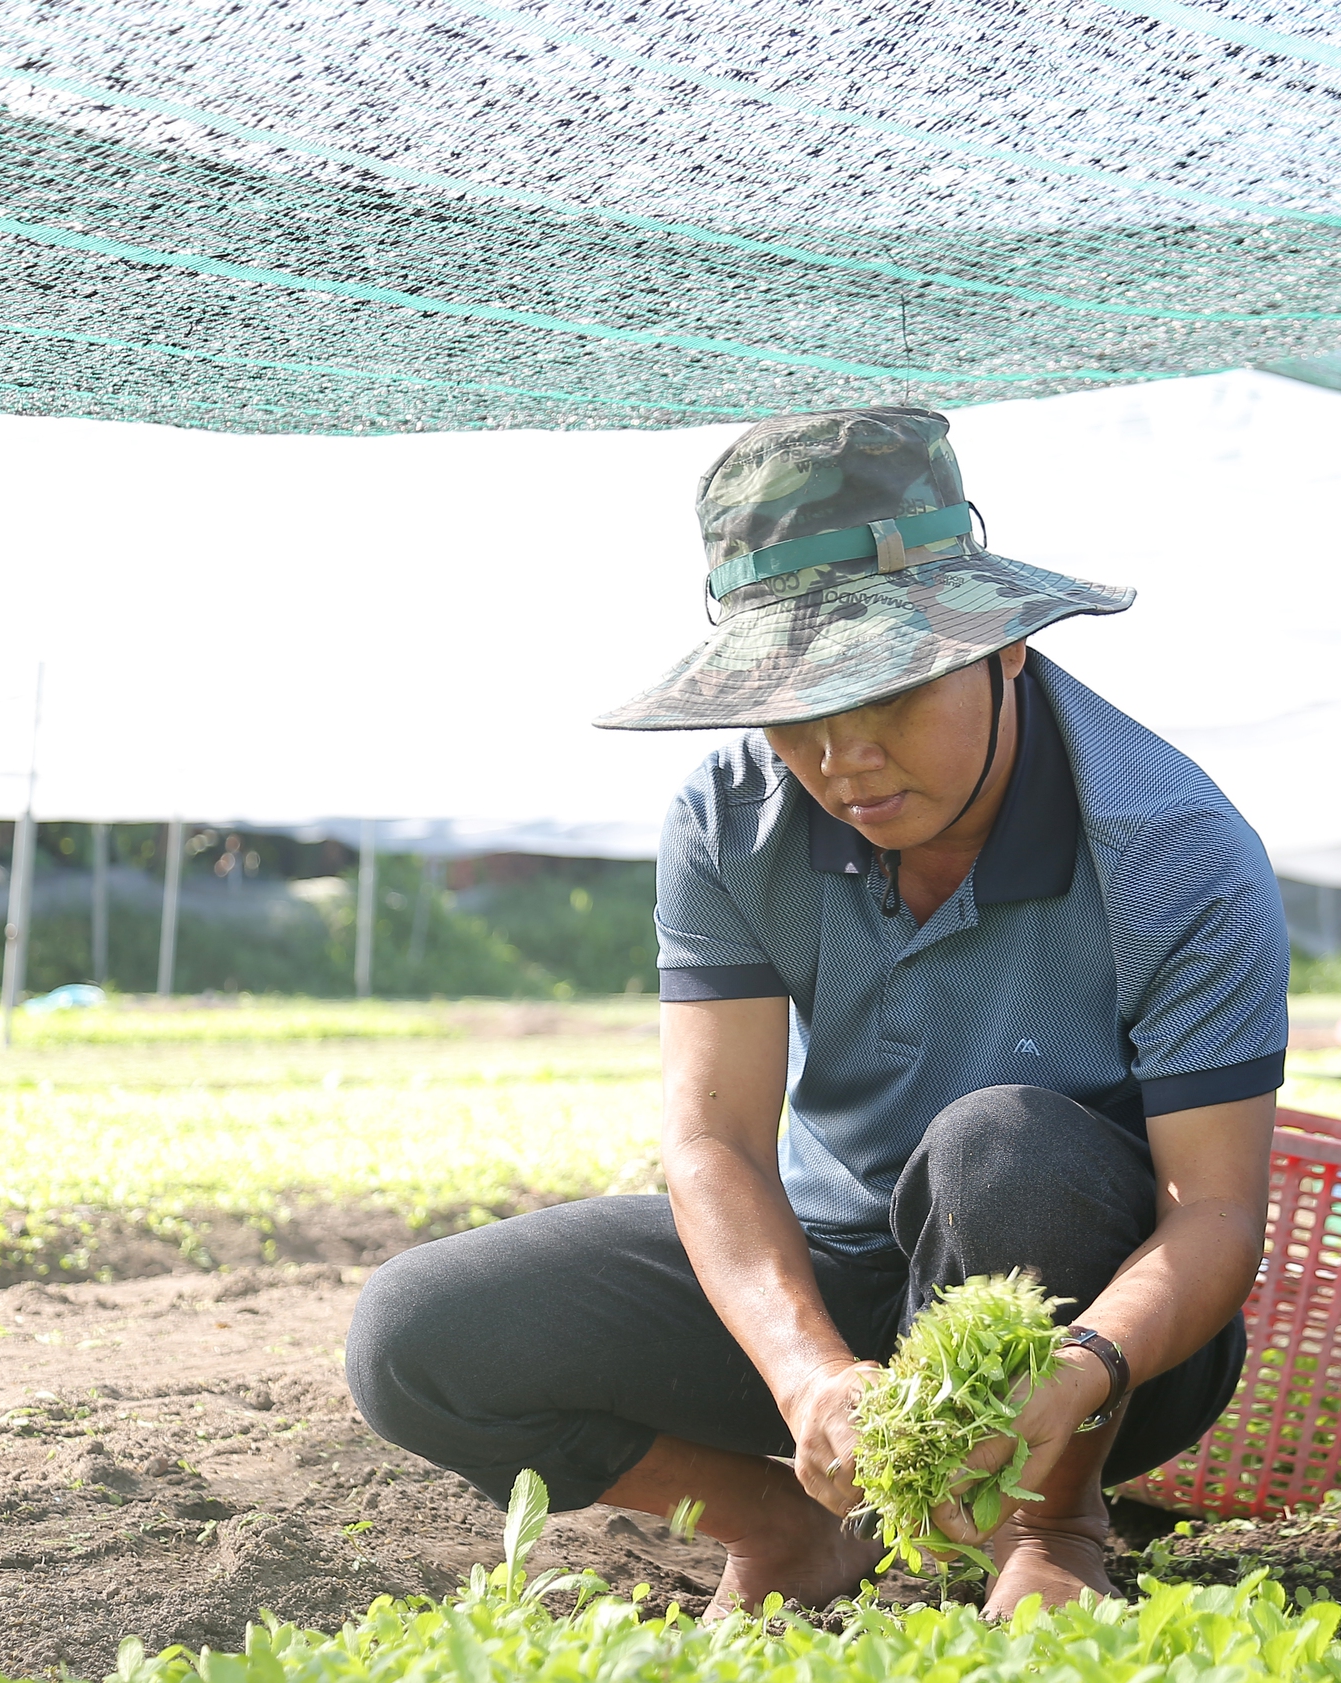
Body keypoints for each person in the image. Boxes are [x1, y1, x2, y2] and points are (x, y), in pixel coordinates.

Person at [344, 406, 1288, 1616]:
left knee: (1002, 1142)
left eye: (888, 695)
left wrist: (1080, 1365)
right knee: (419, 1332)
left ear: (1000, 647)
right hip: (836, 1279)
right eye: (797, 715)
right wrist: (807, 1376)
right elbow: (716, 1142)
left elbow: (1212, 1211)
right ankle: (789, 1528)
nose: (844, 761)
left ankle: (1054, 1527)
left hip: (1086, 1328)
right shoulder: (729, 821)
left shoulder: (1173, 852)